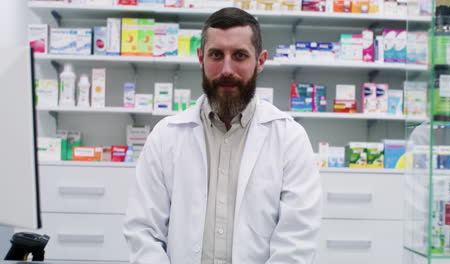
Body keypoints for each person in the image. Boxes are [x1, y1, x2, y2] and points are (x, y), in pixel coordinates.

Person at [123, 7, 322, 264]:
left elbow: (297, 240)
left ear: (260, 61)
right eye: (216, 55)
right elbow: (143, 231)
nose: (227, 69)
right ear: (200, 58)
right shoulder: (165, 136)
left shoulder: (289, 138)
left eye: (239, 55)